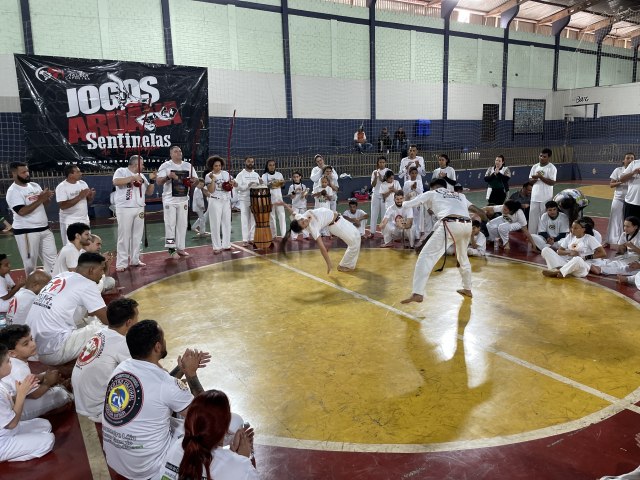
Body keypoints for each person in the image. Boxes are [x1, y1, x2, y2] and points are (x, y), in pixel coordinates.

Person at [102, 320, 209, 479]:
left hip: (116, 461)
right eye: (163, 338)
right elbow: (206, 415)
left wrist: (181, 368)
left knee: (174, 412)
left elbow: (159, 389)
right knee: (213, 429)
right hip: (147, 469)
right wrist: (191, 374)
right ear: (158, 347)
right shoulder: (166, 385)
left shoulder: (121, 368)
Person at [400, 178, 487, 303]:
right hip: (467, 224)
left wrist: (405, 199)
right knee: (463, 258)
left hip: (450, 223)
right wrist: (485, 219)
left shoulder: (432, 193)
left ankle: (418, 292)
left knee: (425, 256)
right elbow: (478, 211)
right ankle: (468, 289)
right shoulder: (459, 195)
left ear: (435, 187)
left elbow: (407, 205)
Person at [28, 252, 108, 367]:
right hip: (53, 351)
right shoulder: (87, 284)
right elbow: (108, 320)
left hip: (34, 347)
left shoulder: (61, 276)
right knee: (107, 327)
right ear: (91, 270)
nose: (102, 274)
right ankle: (89, 369)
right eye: (101, 269)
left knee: (87, 319)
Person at [160, 389, 258, 480]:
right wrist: (244, 459)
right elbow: (232, 469)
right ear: (225, 427)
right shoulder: (241, 466)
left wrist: (233, 454)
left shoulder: (178, 446)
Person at [71, 298, 139, 423]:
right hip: (98, 409)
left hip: (81, 402)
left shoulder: (99, 332)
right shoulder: (121, 343)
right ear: (129, 322)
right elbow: (144, 372)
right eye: (137, 317)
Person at [0, 324, 72, 420]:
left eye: (31, 339)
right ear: (12, 353)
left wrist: (45, 376)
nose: (33, 344)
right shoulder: (19, 369)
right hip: (11, 413)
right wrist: (48, 383)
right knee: (61, 394)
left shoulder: (14, 361)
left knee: (44, 375)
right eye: (26, 344)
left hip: (12, 399)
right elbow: (35, 394)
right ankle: (61, 394)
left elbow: (29, 380)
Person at [0, 344, 54, 462]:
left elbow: (9, 402)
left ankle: (18, 445)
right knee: (48, 440)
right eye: (8, 361)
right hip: (3, 441)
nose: (11, 363)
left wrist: (22, 391)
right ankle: (9, 457)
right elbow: (13, 423)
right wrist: (21, 394)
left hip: (7, 431)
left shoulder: (1, 383)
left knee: (45, 425)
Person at [5, 162, 57, 276]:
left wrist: (46, 198)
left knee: (53, 261)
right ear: (13, 173)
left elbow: (44, 204)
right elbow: (22, 211)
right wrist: (40, 199)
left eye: (27, 171)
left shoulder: (34, 185)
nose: (27, 174)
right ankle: (32, 290)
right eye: (23, 172)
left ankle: (53, 288)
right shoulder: (13, 191)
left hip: (44, 229)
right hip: (27, 232)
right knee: (30, 265)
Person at [282, 205, 361, 273]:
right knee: (354, 243)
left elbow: (293, 212)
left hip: (340, 218)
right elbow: (322, 248)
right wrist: (329, 264)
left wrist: (283, 204)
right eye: (303, 223)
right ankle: (343, 265)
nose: (304, 220)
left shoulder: (299, 217)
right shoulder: (313, 228)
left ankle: (348, 264)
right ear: (304, 228)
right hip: (337, 225)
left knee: (357, 235)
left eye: (301, 220)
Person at [112, 155, 156, 272]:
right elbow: (116, 182)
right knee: (124, 235)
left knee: (137, 235)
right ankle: (121, 263)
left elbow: (149, 192)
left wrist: (152, 180)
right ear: (135, 164)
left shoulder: (141, 176)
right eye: (142, 164)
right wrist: (132, 178)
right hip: (125, 208)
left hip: (139, 207)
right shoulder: (121, 171)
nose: (143, 166)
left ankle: (135, 259)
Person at [157, 146, 198, 257]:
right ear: (171, 154)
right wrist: (168, 177)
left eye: (180, 151)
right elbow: (159, 181)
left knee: (182, 225)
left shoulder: (188, 166)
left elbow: (196, 181)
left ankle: (181, 248)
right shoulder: (165, 166)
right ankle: (171, 249)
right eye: (176, 151)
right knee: (170, 225)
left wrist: (194, 181)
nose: (179, 153)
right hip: (170, 200)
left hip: (183, 199)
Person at [541, 219, 606, 279]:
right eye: (572, 227)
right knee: (546, 250)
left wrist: (584, 257)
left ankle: (558, 272)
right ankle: (561, 271)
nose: (572, 230)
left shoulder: (589, 238)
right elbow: (559, 251)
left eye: (575, 228)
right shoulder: (570, 236)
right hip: (567, 263)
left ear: (583, 229)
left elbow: (603, 253)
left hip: (581, 267)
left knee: (578, 259)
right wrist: (569, 252)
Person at [55, 165, 95, 246]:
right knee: (72, 246)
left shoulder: (83, 183)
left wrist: (91, 196)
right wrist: (79, 196)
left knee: (86, 245)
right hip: (70, 221)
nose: (81, 173)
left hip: (84, 219)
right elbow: (63, 206)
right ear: (70, 175)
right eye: (78, 172)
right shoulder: (61, 187)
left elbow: (88, 201)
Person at [206, 156, 236, 254]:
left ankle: (226, 244)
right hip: (215, 201)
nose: (218, 167)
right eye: (216, 166)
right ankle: (216, 247)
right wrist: (213, 180)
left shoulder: (226, 174)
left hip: (226, 201)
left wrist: (233, 183)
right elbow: (211, 190)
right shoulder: (208, 176)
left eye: (219, 165)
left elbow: (235, 185)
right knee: (215, 224)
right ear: (212, 166)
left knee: (227, 223)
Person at [606, 153, 635, 247]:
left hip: (631, 200)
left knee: (629, 221)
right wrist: (621, 181)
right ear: (624, 160)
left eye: (632, 158)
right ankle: (609, 241)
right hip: (618, 198)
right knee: (614, 220)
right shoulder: (618, 170)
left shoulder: (636, 171)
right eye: (628, 158)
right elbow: (611, 185)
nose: (630, 159)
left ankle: (628, 242)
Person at [528, 148, 557, 234]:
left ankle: (542, 235)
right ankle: (532, 235)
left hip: (546, 197)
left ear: (549, 157)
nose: (542, 158)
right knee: (533, 217)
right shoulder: (535, 166)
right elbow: (530, 181)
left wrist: (541, 177)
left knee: (543, 217)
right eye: (540, 156)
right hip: (534, 197)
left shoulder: (552, 168)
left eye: (544, 156)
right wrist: (536, 178)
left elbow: (552, 182)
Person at [235, 156, 262, 247]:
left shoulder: (256, 175)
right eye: (248, 161)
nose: (250, 163)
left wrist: (261, 183)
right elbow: (237, 187)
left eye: (252, 162)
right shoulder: (240, 175)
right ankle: (245, 239)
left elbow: (260, 187)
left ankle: (252, 238)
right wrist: (247, 185)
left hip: (255, 199)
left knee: (254, 219)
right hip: (244, 199)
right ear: (245, 162)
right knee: (244, 219)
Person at [262, 160, 286, 238]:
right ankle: (273, 235)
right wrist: (277, 183)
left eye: (273, 165)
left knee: (282, 216)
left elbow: (283, 185)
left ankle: (284, 234)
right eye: (270, 165)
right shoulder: (264, 176)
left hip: (279, 199)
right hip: (270, 199)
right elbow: (266, 187)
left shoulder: (279, 174)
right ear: (267, 166)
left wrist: (275, 184)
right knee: (272, 218)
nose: (272, 166)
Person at [369, 156, 391, 238]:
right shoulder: (374, 172)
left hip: (384, 195)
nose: (381, 164)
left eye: (383, 162)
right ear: (378, 163)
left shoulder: (388, 171)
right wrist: (375, 176)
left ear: (385, 163)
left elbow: (386, 181)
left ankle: (384, 233)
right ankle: (372, 232)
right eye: (380, 162)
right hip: (375, 194)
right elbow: (373, 184)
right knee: (374, 213)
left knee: (384, 214)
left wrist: (380, 176)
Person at [403, 166, 425, 243]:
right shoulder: (406, 183)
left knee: (417, 219)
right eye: (412, 173)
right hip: (409, 202)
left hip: (417, 203)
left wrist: (415, 188)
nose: (414, 174)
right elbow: (405, 193)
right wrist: (411, 188)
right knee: (409, 218)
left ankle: (417, 235)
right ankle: (408, 235)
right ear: (409, 174)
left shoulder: (419, 182)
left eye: (415, 173)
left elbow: (421, 193)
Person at [618, 151, 640, 220]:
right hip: (631, 202)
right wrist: (633, 172)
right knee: (628, 228)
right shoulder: (634, 163)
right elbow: (621, 179)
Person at [0, 255, 22, 325]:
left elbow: (13, 287)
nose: (9, 266)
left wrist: (19, 286)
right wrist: (18, 286)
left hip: (5, 299)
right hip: (2, 304)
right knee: (22, 300)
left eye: (9, 264)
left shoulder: (6, 274)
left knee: (23, 293)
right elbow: (5, 297)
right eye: (6, 265)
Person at [287, 171, 309, 241]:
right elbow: (291, 197)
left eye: (297, 177)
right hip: (295, 206)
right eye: (294, 177)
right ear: (293, 178)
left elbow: (305, 197)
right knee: (295, 221)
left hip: (303, 205)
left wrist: (304, 194)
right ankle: (294, 236)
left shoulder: (304, 186)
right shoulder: (291, 187)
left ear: (300, 177)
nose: (296, 178)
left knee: (304, 220)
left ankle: (306, 235)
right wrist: (295, 191)